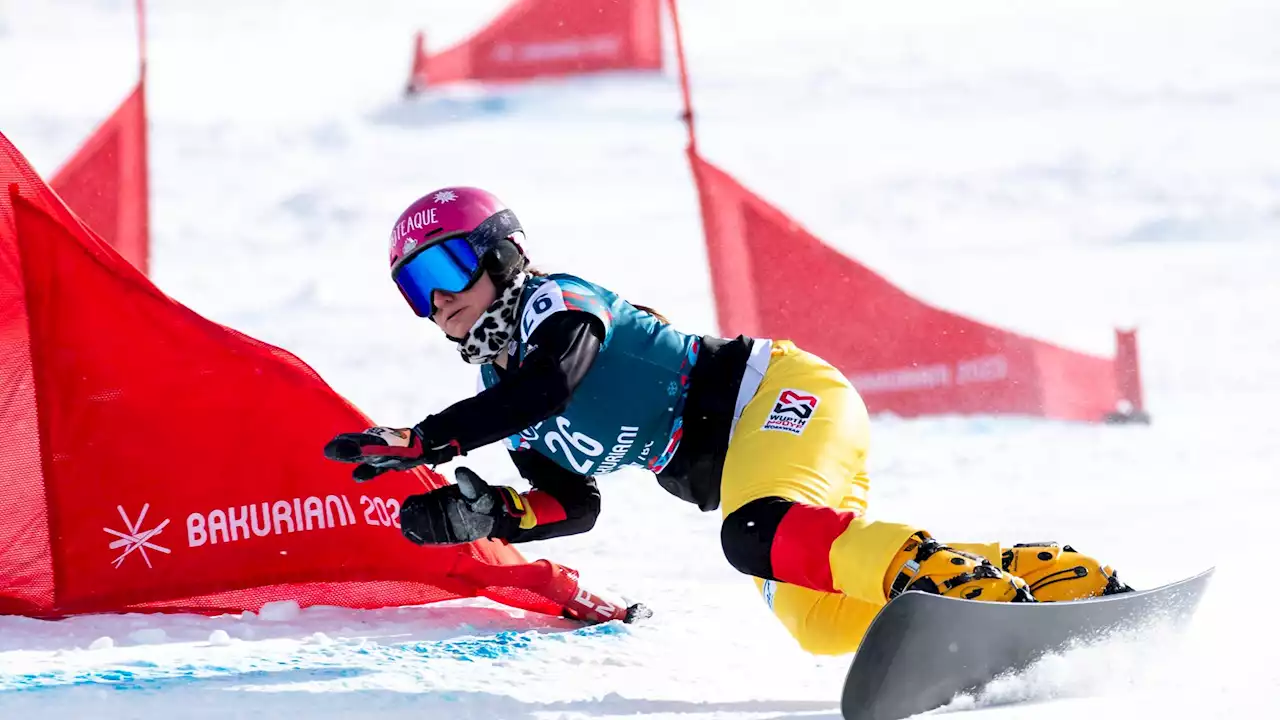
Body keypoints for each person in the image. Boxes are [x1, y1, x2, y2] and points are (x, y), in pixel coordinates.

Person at [323, 187, 1133, 655]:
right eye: (413, 288)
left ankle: (947, 583)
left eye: (445, 266)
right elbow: (575, 505)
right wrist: (489, 514)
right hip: (761, 456)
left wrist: (427, 439)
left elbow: (552, 383)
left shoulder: (556, 304)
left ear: (501, 253)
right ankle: (1047, 581)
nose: (437, 300)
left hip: (783, 398)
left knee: (752, 532)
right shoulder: (507, 388)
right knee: (817, 620)